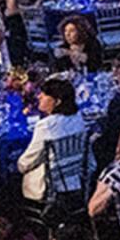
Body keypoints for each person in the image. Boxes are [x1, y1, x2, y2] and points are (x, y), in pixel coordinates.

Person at [16, 76, 88, 205]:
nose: (39, 97)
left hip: (51, 186)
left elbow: (27, 161)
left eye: (44, 95)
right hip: (76, 179)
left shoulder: (46, 126)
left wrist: (18, 165)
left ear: (57, 101)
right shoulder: (79, 119)